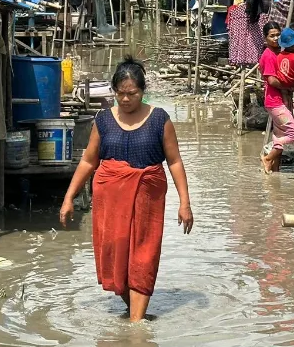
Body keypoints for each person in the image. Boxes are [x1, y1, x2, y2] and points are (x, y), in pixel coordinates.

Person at [59, 57, 194, 322]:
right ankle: (135, 313)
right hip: (110, 202)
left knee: (144, 256)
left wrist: (185, 203)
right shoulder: (104, 120)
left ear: (143, 92)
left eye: (132, 93)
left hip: (148, 198)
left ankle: (136, 327)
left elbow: (175, 161)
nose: (125, 99)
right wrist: (68, 198)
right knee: (115, 256)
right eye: (120, 93)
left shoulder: (159, 120)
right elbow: (88, 161)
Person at [259, 22, 294, 174]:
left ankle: (275, 171)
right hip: (275, 101)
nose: (276, 38)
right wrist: (288, 88)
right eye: (272, 36)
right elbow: (272, 80)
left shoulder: (281, 53)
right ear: (265, 38)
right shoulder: (268, 55)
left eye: (278, 35)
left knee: (281, 135)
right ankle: (268, 157)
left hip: (282, 100)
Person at [275, 27, 294, 109]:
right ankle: (288, 110)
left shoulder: (279, 55)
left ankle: (286, 107)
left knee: (284, 97)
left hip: (279, 82)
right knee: (289, 98)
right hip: (291, 83)